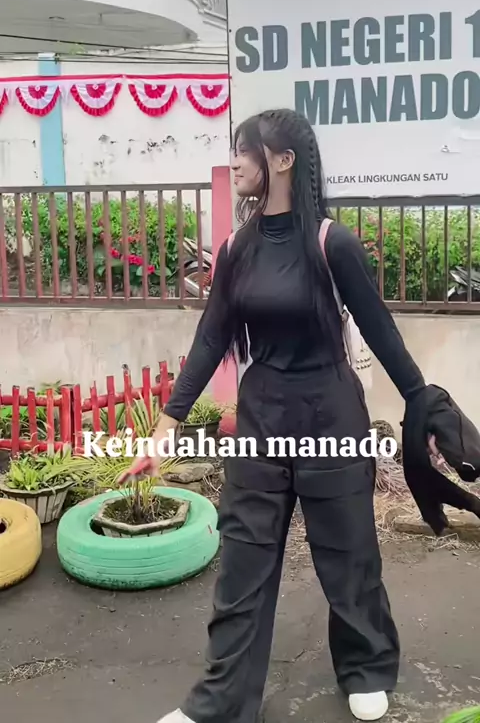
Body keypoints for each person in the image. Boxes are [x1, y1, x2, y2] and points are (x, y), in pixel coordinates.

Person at [122, 108, 429, 723]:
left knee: (347, 553)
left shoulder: (332, 244)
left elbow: (380, 329)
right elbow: (211, 338)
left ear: (283, 161)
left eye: (246, 149)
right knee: (243, 562)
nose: (234, 160)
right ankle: (221, 701)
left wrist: (422, 403)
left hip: (330, 417)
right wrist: (166, 426)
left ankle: (367, 667)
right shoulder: (237, 248)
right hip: (261, 420)